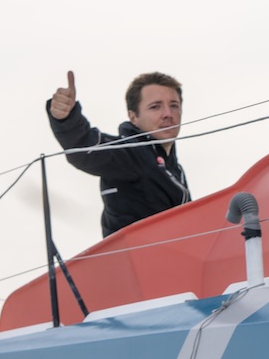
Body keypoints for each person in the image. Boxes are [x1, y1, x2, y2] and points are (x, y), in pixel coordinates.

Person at [47, 70, 192, 237]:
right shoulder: (131, 153)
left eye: (174, 105)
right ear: (133, 117)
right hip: (138, 259)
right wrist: (67, 120)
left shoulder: (175, 170)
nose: (168, 114)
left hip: (176, 257)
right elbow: (87, 148)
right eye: (155, 107)